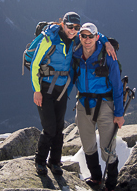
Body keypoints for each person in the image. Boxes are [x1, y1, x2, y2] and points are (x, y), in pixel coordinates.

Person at [30, 12, 116, 176]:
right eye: (70, 27)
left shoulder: (76, 39)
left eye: (77, 28)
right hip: (46, 88)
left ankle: (54, 162)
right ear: (63, 23)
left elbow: (93, 35)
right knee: (49, 127)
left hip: (62, 90)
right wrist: (37, 91)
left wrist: (106, 43)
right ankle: (40, 161)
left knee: (59, 127)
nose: (73, 30)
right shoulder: (49, 39)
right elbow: (35, 65)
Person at [68, 22, 124, 191]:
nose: (86, 40)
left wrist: (119, 113)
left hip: (105, 104)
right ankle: (96, 178)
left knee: (107, 148)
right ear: (80, 37)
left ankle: (110, 185)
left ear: (97, 37)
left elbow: (117, 85)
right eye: (83, 36)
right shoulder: (75, 54)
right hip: (83, 103)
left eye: (90, 36)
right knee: (87, 144)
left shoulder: (107, 55)